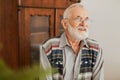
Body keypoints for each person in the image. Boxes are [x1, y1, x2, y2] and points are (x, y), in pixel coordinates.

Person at [40, 3, 104, 80]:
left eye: (86, 19)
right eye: (78, 19)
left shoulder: (95, 48)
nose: (83, 24)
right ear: (65, 24)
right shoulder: (49, 47)